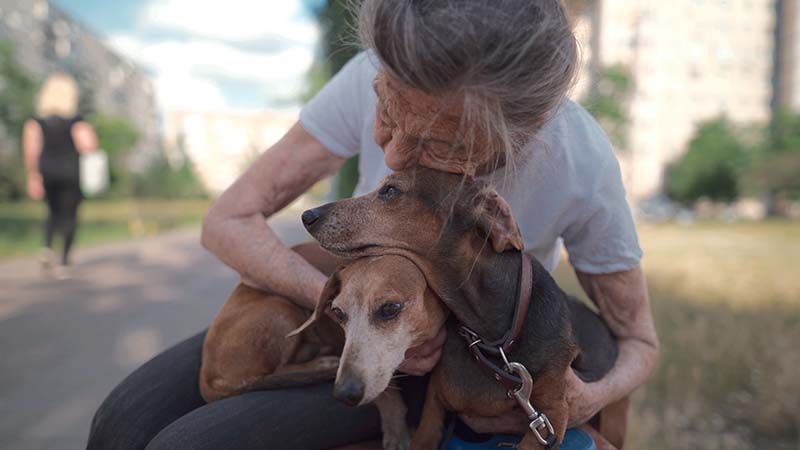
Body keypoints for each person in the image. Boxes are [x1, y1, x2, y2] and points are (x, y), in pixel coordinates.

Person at [86, 1, 659, 449]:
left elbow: (639, 338)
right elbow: (226, 220)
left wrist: (592, 396)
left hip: (438, 368)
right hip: (354, 319)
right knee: (120, 422)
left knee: (185, 445)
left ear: (520, 135)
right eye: (387, 108)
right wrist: (335, 303)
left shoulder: (578, 161)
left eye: (437, 142)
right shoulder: (374, 70)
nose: (391, 152)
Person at [23, 73, 98, 279]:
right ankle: (64, 262)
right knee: (70, 215)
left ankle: (47, 247)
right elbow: (89, 145)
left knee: (52, 211)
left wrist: (33, 176)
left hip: (47, 170)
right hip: (71, 172)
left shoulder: (36, 121)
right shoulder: (76, 120)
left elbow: (31, 151)